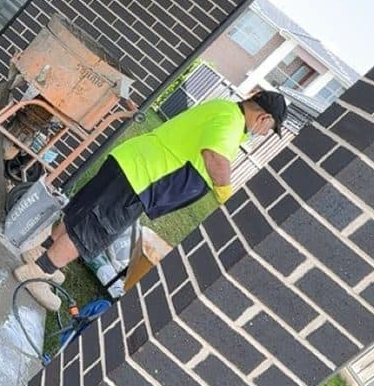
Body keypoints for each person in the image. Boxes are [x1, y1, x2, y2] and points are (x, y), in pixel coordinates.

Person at [15, 89, 288, 307]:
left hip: (132, 162)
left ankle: (41, 252)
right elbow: (215, 158)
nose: (264, 133)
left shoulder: (223, 108)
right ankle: (39, 272)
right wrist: (227, 195)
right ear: (264, 118)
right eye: (270, 128)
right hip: (143, 179)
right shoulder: (232, 122)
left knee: (83, 212)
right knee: (93, 230)